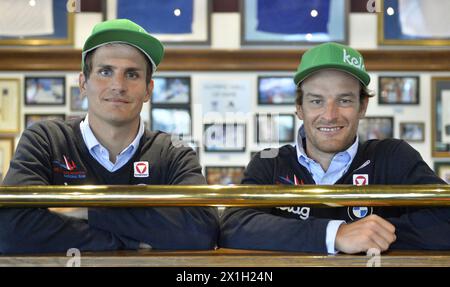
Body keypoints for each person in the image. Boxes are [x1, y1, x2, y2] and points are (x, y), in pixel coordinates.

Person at [0, 19, 218, 254]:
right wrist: (127, 241)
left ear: (148, 90)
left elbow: (201, 230)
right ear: (83, 83)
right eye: (105, 71)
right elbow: (11, 229)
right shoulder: (45, 140)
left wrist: (85, 211)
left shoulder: (174, 152)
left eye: (132, 74)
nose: (118, 85)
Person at [220, 42, 450, 254]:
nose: (330, 115)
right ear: (299, 108)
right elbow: (233, 226)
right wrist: (336, 234)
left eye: (344, 100)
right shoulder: (269, 162)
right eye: (316, 101)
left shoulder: (393, 157)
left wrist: (370, 235)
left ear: (363, 106)